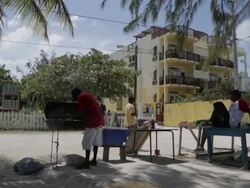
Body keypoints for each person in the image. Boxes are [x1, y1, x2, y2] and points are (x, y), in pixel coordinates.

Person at [71, 88, 104, 169]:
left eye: (72, 95)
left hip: (92, 121)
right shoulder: (87, 95)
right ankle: (94, 160)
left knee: (87, 141)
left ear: (76, 94)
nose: (73, 97)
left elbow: (83, 111)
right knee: (96, 141)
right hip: (100, 120)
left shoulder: (80, 97)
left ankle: (86, 163)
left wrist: (74, 117)